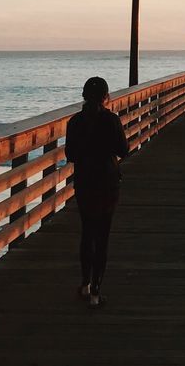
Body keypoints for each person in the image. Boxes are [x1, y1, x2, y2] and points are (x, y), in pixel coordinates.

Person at [65, 76, 128, 308]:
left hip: (84, 182)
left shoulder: (74, 122)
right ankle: (96, 292)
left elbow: (70, 155)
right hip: (108, 182)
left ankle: (84, 284)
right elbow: (124, 149)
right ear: (106, 97)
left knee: (87, 232)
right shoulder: (111, 120)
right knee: (102, 237)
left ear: (83, 96)